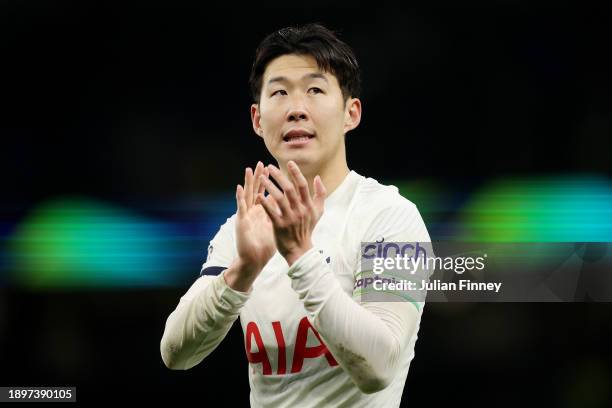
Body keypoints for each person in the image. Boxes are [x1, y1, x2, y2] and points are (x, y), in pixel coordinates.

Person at [160, 23, 432, 407]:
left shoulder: (390, 218)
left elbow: (378, 367)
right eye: (280, 92)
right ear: (257, 120)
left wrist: (300, 256)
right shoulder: (243, 229)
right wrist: (243, 271)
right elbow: (175, 353)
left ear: (351, 113)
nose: (296, 109)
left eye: (315, 90)